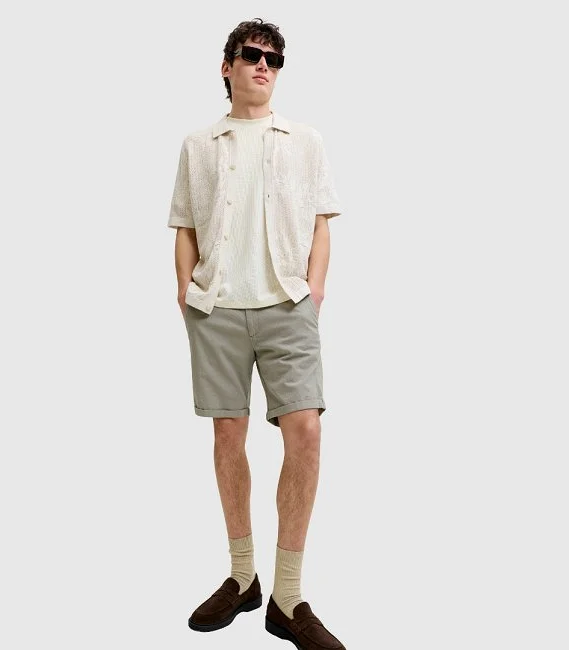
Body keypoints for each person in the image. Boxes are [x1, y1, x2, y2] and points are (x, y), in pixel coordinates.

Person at [167, 17, 346, 649]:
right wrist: (186, 292)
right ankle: (243, 578)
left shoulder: (305, 140)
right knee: (227, 436)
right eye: (250, 55)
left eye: (273, 58)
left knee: (306, 431)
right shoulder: (199, 144)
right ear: (227, 67)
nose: (263, 65)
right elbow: (185, 224)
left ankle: (287, 597)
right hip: (216, 308)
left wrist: (314, 290)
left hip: (287, 305)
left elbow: (322, 221)